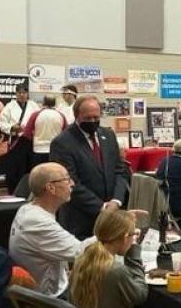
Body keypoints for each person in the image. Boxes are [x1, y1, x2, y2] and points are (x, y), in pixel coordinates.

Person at [49, 95, 130, 239]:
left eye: (96, 117)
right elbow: (69, 183)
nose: (93, 121)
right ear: (76, 116)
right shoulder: (62, 143)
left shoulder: (108, 135)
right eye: (87, 118)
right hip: (81, 218)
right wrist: (102, 207)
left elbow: (120, 171)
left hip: (112, 214)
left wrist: (116, 201)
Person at [9, 163, 87, 297]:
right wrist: (114, 228)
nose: (72, 183)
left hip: (48, 287)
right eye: (67, 179)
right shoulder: (37, 222)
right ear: (51, 188)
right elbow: (81, 252)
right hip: (50, 300)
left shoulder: (27, 209)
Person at [70, 210, 148, 308]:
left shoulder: (82, 260)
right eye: (133, 235)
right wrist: (133, 253)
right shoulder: (115, 270)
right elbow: (140, 295)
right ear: (124, 238)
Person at [0, 84, 39, 193]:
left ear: (27, 94)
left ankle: (29, 191)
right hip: (16, 141)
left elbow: (39, 120)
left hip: (30, 141)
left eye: (24, 93)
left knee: (29, 167)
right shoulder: (10, 106)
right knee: (15, 168)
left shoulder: (33, 106)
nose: (22, 95)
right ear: (16, 94)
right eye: (19, 93)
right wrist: (12, 128)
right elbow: (1, 122)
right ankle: (14, 191)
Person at [23, 95, 67, 168]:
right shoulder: (61, 115)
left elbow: (27, 133)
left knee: (39, 175)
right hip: (56, 151)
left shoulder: (35, 115)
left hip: (38, 150)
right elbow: (66, 134)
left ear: (43, 103)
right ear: (55, 103)